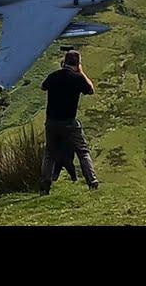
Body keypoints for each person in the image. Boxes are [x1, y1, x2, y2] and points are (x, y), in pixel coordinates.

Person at [40, 50, 98, 195]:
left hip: (52, 122)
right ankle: (92, 181)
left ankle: (45, 187)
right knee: (82, 151)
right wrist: (82, 72)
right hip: (69, 122)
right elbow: (91, 90)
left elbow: (43, 87)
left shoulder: (53, 76)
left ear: (64, 62)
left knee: (49, 154)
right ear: (78, 64)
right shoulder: (77, 78)